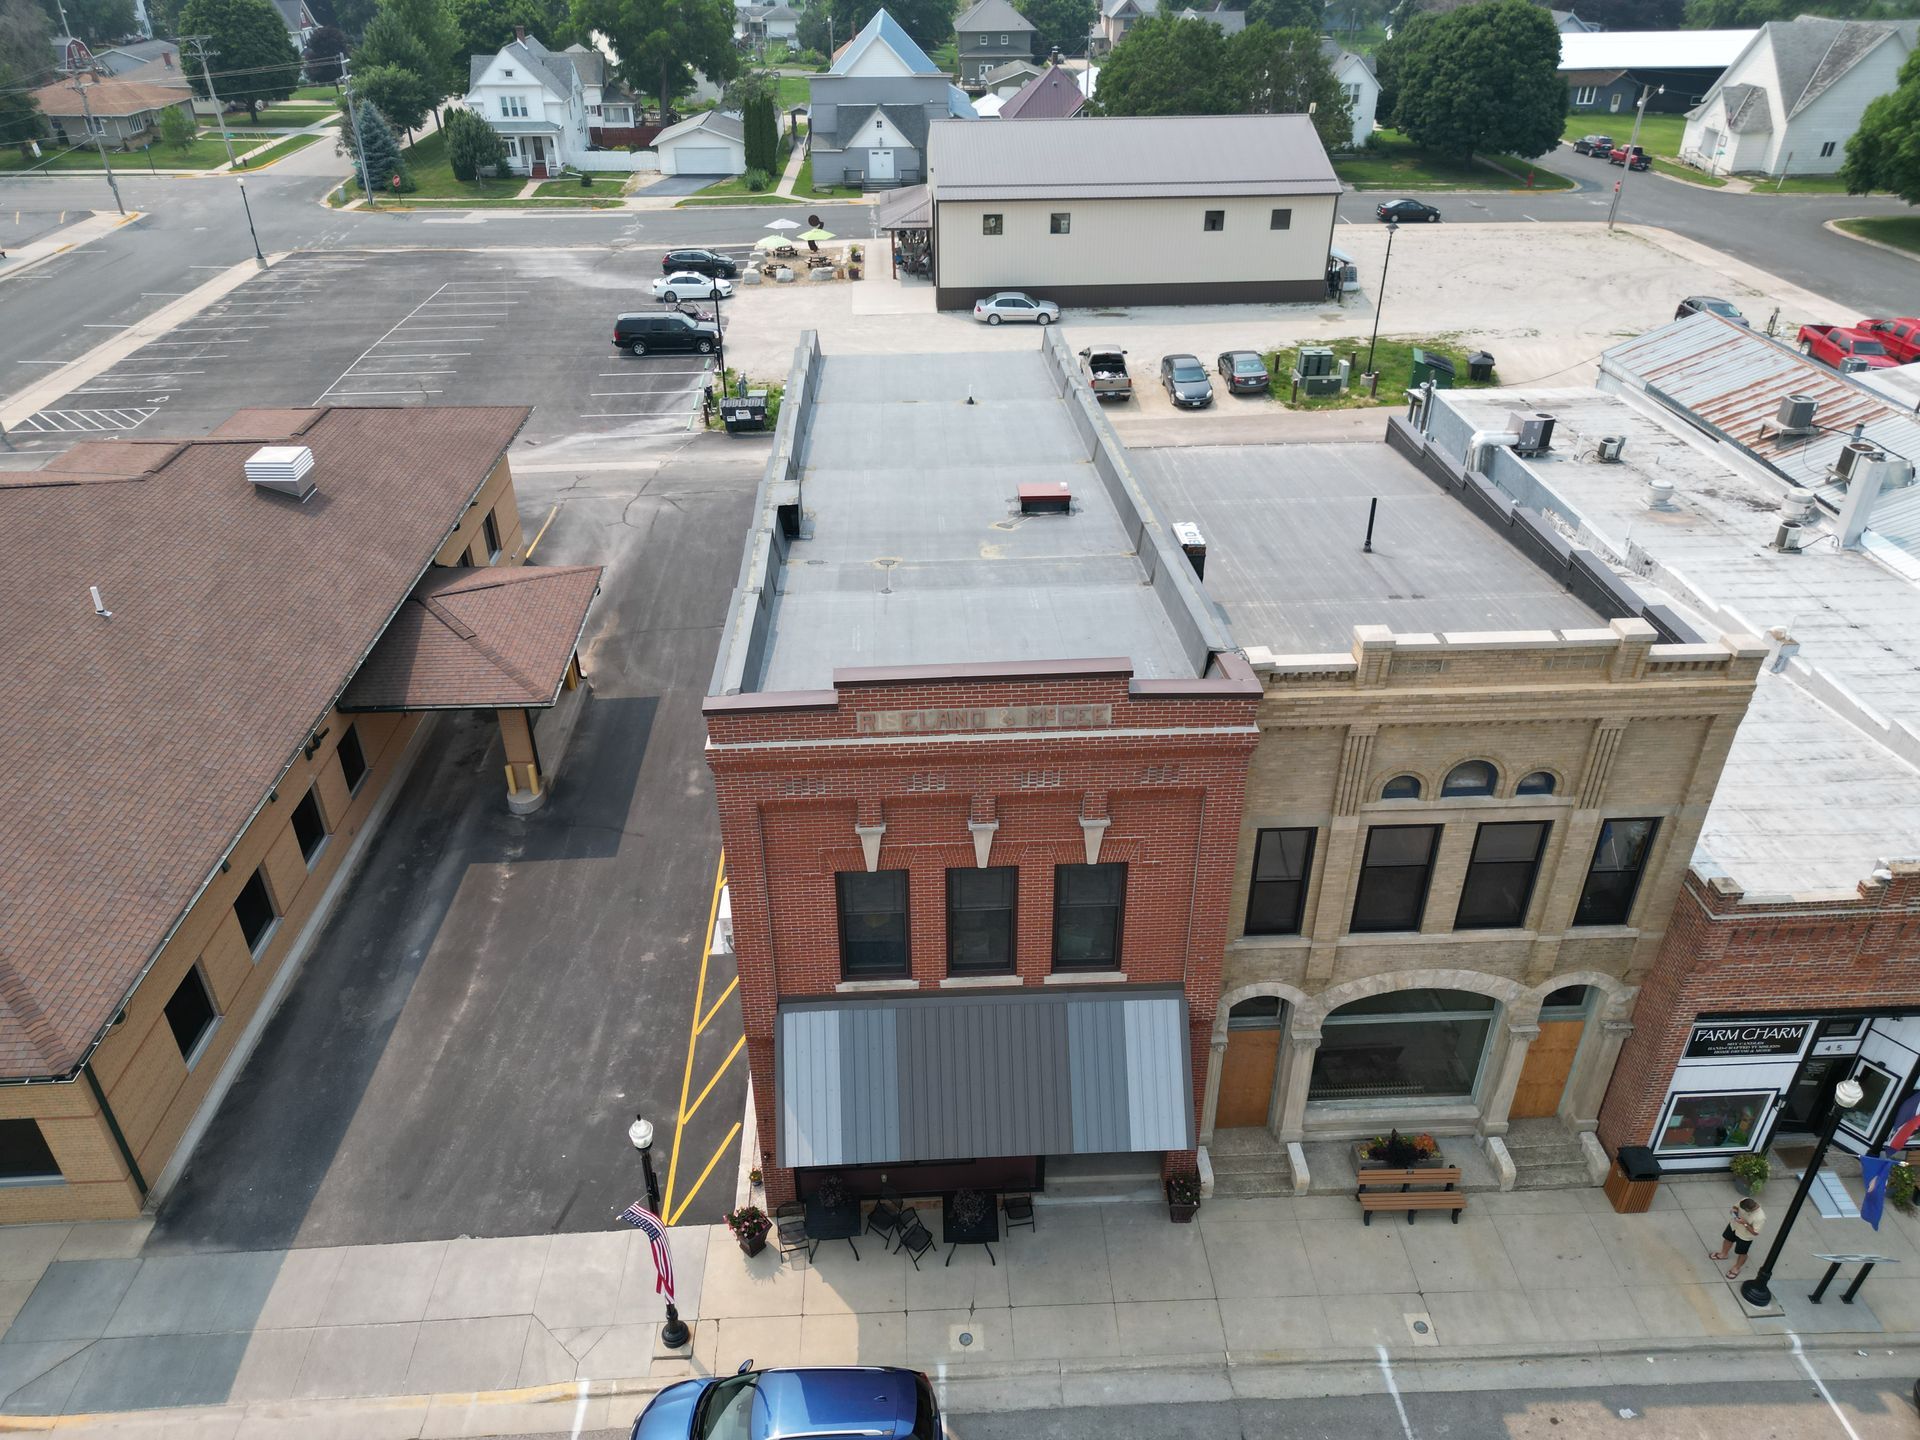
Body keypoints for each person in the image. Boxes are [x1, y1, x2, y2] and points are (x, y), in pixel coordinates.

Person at [1709, 1196, 1765, 1279]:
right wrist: (1734, 1212)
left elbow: (1755, 1232)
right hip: (1734, 1227)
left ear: (1749, 1210)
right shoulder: (1745, 1200)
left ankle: (1736, 1268)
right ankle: (1723, 1254)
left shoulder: (1760, 1217)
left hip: (1745, 1236)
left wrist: (1744, 1223)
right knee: (1727, 1239)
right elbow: (1735, 1207)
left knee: (1742, 1253)